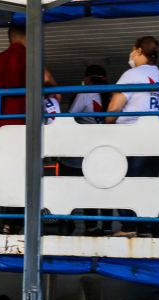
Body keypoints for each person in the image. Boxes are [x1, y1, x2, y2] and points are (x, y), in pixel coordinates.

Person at [106, 36, 159, 237]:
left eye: (133, 50)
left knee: (121, 182)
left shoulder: (132, 74)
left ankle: (129, 227)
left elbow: (113, 107)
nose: (131, 55)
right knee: (147, 187)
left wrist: (104, 128)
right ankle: (145, 230)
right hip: (157, 139)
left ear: (140, 51)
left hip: (132, 139)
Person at [0, 24, 57, 137]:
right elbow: (47, 78)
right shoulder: (30, 56)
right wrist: (56, 91)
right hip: (24, 119)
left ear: (10, 38)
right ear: (26, 37)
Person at [64, 64, 110, 236]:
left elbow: (68, 117)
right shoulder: (109, 94)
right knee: (105, 188)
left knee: (82, 189)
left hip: (84, 150)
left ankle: (87, 227)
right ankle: (106, 227)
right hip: (105, 150)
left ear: (88, 78)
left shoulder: (85, 93)